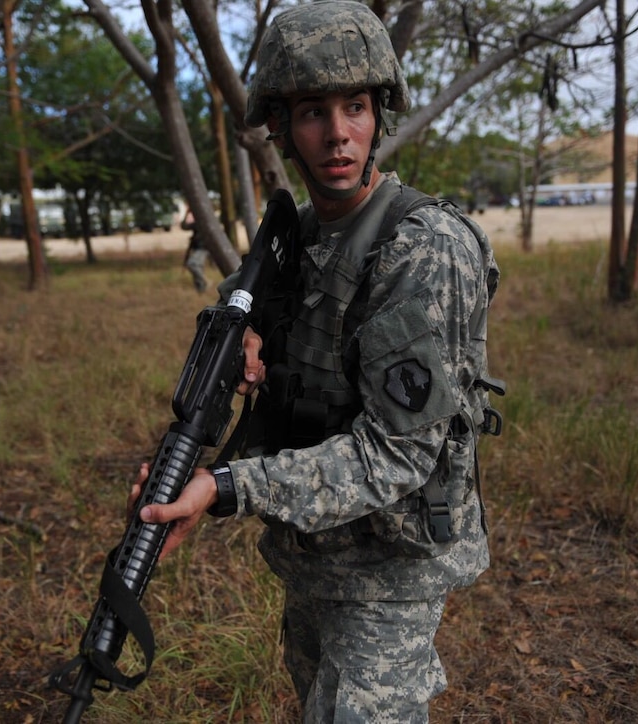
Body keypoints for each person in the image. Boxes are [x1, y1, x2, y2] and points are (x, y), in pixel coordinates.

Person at [132, 1, 502, 720]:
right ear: (281, 128)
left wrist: (227, 486)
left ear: (379, 116)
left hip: (391, 568)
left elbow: (396, 455)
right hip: (315, 552)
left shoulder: (422, 248)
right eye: (312, 112)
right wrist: (244, 341)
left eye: (356, 107)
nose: (338, 134)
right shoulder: (294, 240)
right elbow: (249, 318)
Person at [181, 209, 210, 293]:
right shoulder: (197, 223)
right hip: (197, 248)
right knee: (198, 267)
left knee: (192, 264)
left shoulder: (205, 223)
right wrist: (187, 213)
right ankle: (201, 289)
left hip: (203, 248)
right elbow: (184, 226)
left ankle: (205, 281)